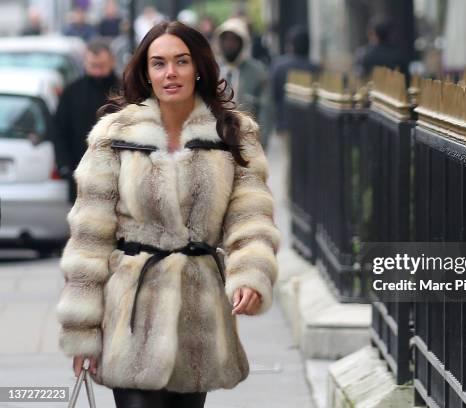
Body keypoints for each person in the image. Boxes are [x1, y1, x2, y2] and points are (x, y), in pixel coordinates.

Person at [55, 21, 279, 408]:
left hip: (199, 314)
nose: (170, 73)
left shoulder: (232, 134)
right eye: (158, 63)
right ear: (145, 72)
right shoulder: (114, 134)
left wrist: (250, 274)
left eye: (181, 61)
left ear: (199, 67)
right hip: (130, 311)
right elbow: (89, 239)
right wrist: (83, 332)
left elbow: (251, 218)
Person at [54, 38, 120, 202]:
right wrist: (65, 166)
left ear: (112, 62)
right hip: (80, 173)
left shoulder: (125, 89)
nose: (97, 72)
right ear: (85, 63)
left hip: (118, 174)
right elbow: (59, 131)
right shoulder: (72, 91)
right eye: (93, 66)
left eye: (101, 66)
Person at [214, 18, 270, 147]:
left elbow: (266, 110)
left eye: (234, 40)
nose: (229, 44)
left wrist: (261, 143)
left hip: (246, 141)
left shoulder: (257, 71)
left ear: (243, 43)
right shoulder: (212, 68)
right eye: (226, 39)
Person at [270, 25, 319, 134]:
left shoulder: (279, 66)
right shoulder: (315, 68)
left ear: (290, 45)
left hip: (285, 121)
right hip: (310, 123)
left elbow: (273, 95)